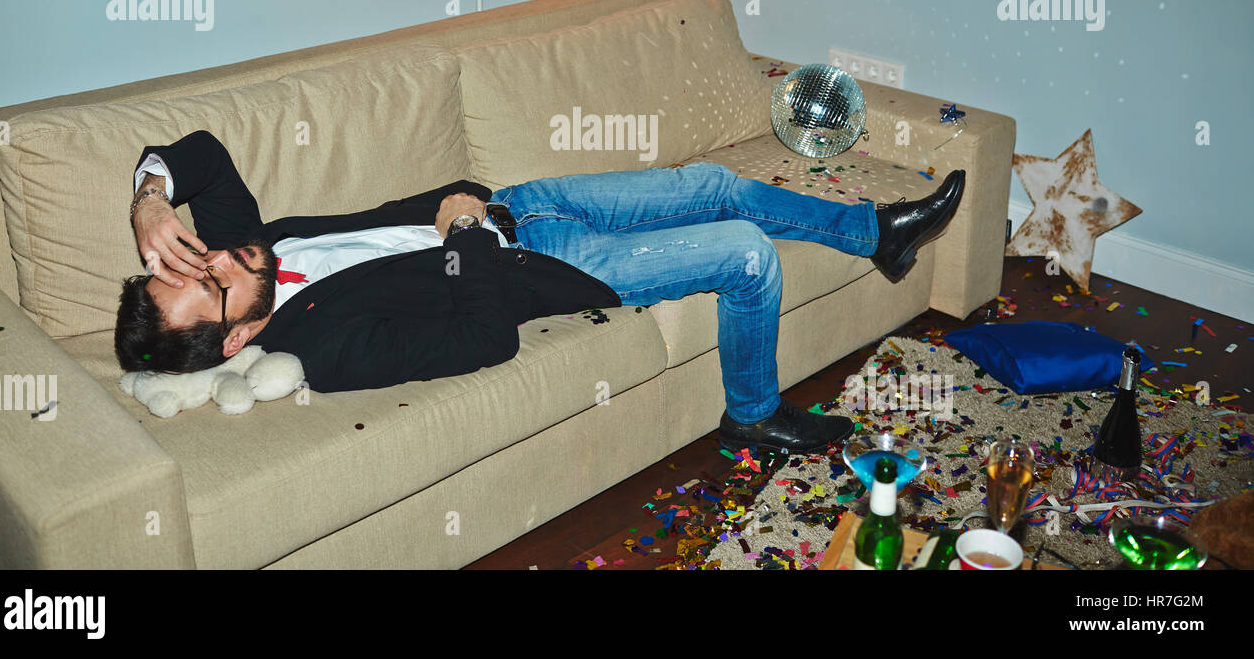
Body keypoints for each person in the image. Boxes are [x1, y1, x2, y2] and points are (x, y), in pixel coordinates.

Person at [115, 130, 964, 454]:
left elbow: (206, 154)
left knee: (715, 181)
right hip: (547, 264)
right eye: (211, 287)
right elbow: (485, 338)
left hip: (527, 199)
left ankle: (875, 234)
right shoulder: (325, 349)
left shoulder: (255, 252)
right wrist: (466, 236)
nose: (220, 262)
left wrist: (151, 196)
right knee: (746, 253)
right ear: (233, 343)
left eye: (199, 262)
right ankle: (751, 415)